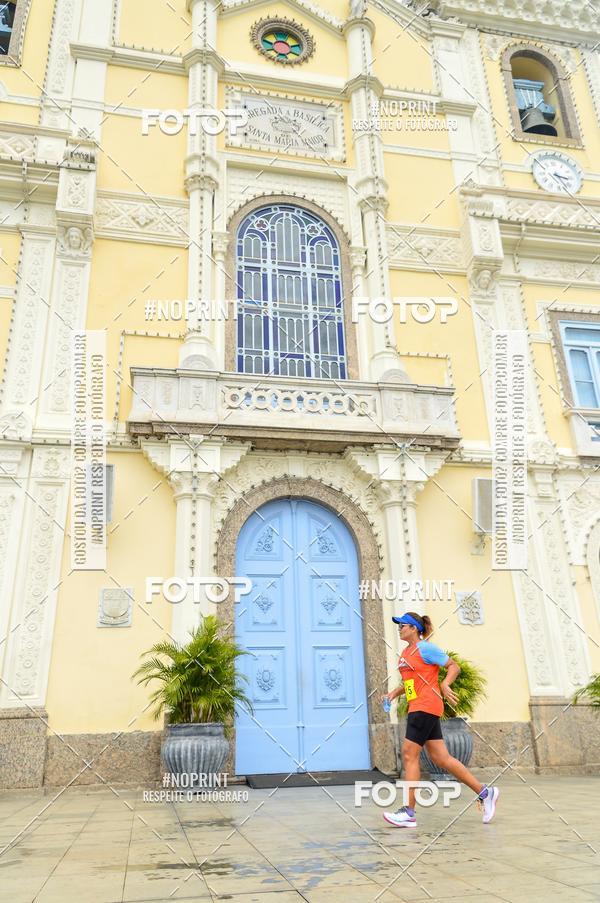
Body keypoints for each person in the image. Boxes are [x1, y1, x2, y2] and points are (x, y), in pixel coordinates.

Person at [381, 611, 499, 828]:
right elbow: (411, 684)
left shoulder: (425, 648)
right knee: (442, 758)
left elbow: (453, 666)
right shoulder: (406, 653)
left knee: (409, 754)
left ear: (414, 628)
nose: (400, 628)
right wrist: (394, 694)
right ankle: (485, 792)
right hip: (419, 706)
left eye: (403, 625)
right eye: (398, 625)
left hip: (426, 706)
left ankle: (408, 812)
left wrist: (445, 684)